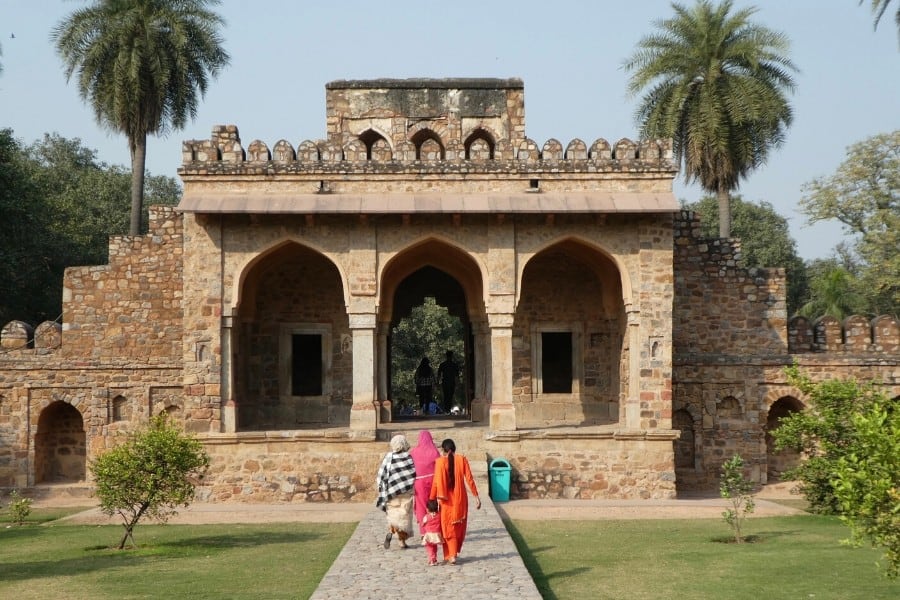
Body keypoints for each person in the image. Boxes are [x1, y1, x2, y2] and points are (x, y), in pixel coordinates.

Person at [429, 438, 481, 565]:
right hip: (460, 500)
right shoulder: (462, 460)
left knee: (448, 528)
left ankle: (451, 555)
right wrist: (476, 496)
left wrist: (431, 500)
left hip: (445, 501)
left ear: (444, 450)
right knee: (458, 527)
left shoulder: (440, 462)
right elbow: (469, 479)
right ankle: (452, 553)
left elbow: (436, 483)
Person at [375, 434, 416, 549]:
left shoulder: (389, 457)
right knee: (405, 517)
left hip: (391, 493)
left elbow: (382, 475)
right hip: (406, 493)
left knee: (393, 515)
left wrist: (383, 488)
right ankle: (401, 541)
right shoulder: (408, 457)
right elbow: (413, 474)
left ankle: (391, 530)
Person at [410, 430, 440, 534]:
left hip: (420, 482)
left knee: (421, 506)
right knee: (434, 504)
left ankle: (424, 531)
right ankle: (435, 527)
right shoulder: (435, 451)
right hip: (433, 481)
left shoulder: (414, 452)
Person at [420, 498, 444, 566]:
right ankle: (434, 559)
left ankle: (432, 560)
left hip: (429, 534)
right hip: (437, 534)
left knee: (430, 548)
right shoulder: (439, 515)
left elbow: (422, 524)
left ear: (427, 509)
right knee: (435, 547)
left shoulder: (426, 517)